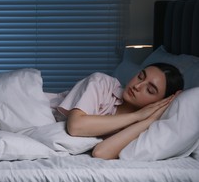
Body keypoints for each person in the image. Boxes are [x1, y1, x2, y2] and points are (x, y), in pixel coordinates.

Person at [47, 63, 184, 160]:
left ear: (159, 102)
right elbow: (76, 126)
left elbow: (101, 152)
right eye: (140, 77)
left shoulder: (144, 128)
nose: (137, 86)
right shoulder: (102, 83)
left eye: (150, 90)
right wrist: (136, 115)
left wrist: (149, 119)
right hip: (34, 107)